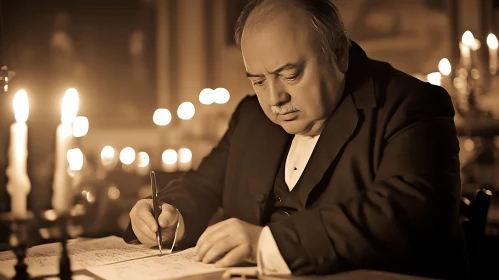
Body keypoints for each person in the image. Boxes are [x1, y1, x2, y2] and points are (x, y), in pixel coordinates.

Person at [124, 0, 466, 278]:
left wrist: (269, 243)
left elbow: (410, 215)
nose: (274, 98)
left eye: (290, 74)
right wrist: (172, 214)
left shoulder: (412, 105)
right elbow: (202, 184)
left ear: (339, 54)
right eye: (257, 81)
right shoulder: (251, 116)